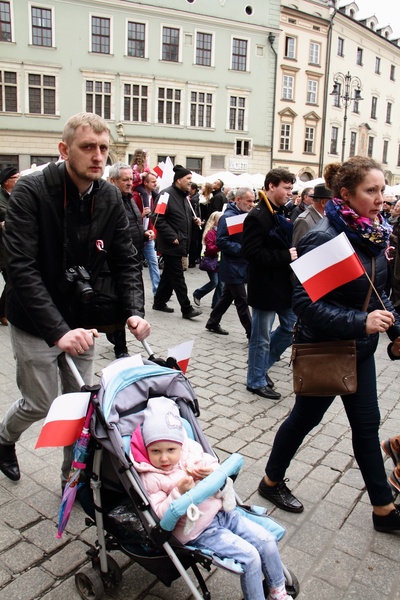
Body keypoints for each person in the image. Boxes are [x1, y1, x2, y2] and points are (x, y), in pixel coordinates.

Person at [0, 112, 150, 485]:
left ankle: (74, 480)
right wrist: (56, 331)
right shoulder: (31, 191)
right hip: (36, 322)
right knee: (40, 403)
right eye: (88, 147)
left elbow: (126, 259)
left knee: (81, 407)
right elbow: (20, 268)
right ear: (64, 150)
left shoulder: (111, 195)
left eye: (103, 148)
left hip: (84, 320)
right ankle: (3, 438)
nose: (98, 156)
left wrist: (133, 311)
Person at [258, 156, 400, 533]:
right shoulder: (325, 238)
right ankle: (270, 481)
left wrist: (396, 330)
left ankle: (383, 510)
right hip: (325, 349)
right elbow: (305, 304)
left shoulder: (374, 233)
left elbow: (378, 294)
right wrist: (361, 322)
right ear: (345, 194)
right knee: (304, 419)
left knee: (367, 427)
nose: (380, 198)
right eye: (371, 190)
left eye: (382, 190)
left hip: (361, 350)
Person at [130, 396, 291, 600]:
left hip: (223, 513)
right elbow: (160, 515)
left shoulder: (192, 452)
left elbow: (214, 465)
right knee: (250, 557)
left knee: (267, 540)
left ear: (181, 445)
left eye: (171, 450)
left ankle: (278, 591)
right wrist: (177, 493)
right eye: (155, 451)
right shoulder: (151, 477)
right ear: (146, 449)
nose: (164, 458)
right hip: (198, 530)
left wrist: (211, 472)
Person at [243, 169, 297, 400]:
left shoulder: (278, 211)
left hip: (282, 285)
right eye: (286, 188)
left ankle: (261, 368)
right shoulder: (257, 215)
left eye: (291, 189)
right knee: (261, 337)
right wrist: (285, 255)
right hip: (264, 286)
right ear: (271, 186)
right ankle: (255, 380)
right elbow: (252, 253)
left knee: (290, 327)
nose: (289, 193)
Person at [108, 161, 150, 359]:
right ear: (112, 180)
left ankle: (115, 336)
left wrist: (144, 234)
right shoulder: (109, 201)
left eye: (130, 179)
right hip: (116, 263)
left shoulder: (130, 198)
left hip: (134, 258)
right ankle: (120, 348)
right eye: (124, 180)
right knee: (119, 306)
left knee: (131, 302)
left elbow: (134, 224)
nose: (129, 183)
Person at [151, 165, 202, 319]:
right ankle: (186, 309)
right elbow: (157, 218)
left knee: (169, 274)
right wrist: (172, 236)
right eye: (188, 179)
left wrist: (194, 221)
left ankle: (159, 302)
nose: (190, 182)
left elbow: (182, 217)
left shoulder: (183, 196)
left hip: (180, 242)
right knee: (178, 276)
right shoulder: (166, 194)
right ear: (179, 180)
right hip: (171, 243)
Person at [205, 187, 254, 338]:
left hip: (240, 265)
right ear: (238, 200)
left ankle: (212, 322)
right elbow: (221, 241)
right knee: (242, 301)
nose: (252, 204)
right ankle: (252, 333)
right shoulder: (228, 217)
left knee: (227, 297)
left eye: (253, 201)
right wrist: (242, 249)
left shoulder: (243, 214)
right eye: (249, 201)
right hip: (232, 266)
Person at [132, 171, 161, 297]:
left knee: (154, 263)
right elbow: (131, 218)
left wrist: (152, 232)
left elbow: (156, 219)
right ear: (145, 182)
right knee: (135, 265)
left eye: (156, 181)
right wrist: (142, 215)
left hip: (149, 236)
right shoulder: (136, 196)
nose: (155, 184)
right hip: (137, 236)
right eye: (153, 181)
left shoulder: (154, 197)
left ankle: (157, 291)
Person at [0, 166, 20, 326]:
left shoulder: (18, 195)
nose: (19, 180)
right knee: (11, 281)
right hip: (2, 247)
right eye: (16, 177)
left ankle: (2, 312)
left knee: (12, 280)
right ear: (7, 182)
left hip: (10, 246)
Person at [193, 211, 223, 308]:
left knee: (221, 284)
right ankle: (198, 293)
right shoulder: (211, 233)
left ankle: (216, 304)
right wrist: (220, 246)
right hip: (212, 261)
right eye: (220, 219)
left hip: (220, 261)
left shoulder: (221, 232)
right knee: (214, 282)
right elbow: (210, 248)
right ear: (214, 221)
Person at [188, 182, 202, 268]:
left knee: (193, 243)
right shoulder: (195, 198)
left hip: (194, 225)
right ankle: (193, 260)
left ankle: (192, 261)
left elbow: (194, 212)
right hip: (196, 224)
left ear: (193, 189)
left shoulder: (193, 199)